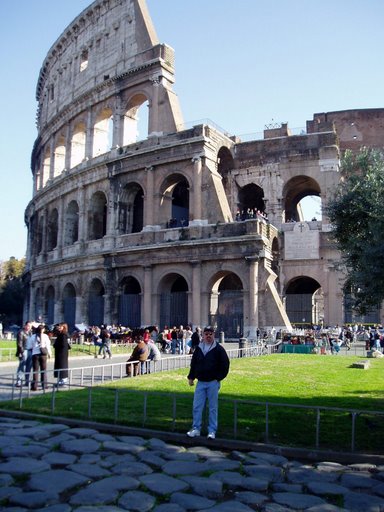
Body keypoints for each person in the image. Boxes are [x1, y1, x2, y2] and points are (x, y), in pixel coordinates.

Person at [186, 326, 230, 439]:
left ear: (213, 335)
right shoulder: (199, 349)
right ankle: (196, 428)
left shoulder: (219, 349)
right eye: (206, 334)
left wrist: (218, 378)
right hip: (201, 382)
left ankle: (212, 430)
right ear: (203, 335)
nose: (208, 336)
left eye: (210, 334)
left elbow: (225, 364)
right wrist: (191, 377)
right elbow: (194, 364)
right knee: (197, 406)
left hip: (212, 382)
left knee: (213, 408)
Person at [30, 324, 52, 391]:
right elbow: (48, 346)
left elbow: (30, 345)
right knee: (43, 370)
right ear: (43, 330)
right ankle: (44, 385)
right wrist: (50, 354)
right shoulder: (45, 336)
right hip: (43, 355)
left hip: (35, 354)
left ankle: (34, 386)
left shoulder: (33, 336)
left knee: (35, 371)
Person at [15, 321, 32, 387]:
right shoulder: (21, 332)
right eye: (28, 326)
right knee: (21, 366)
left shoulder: (31, 333)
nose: (29, 327)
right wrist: (21, 352)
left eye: (30, 326)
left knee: (29, 367)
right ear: (25, 326)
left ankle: (27, 381)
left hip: (30, 351)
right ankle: (19, 381)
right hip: (23, 350)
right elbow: (19, 344)